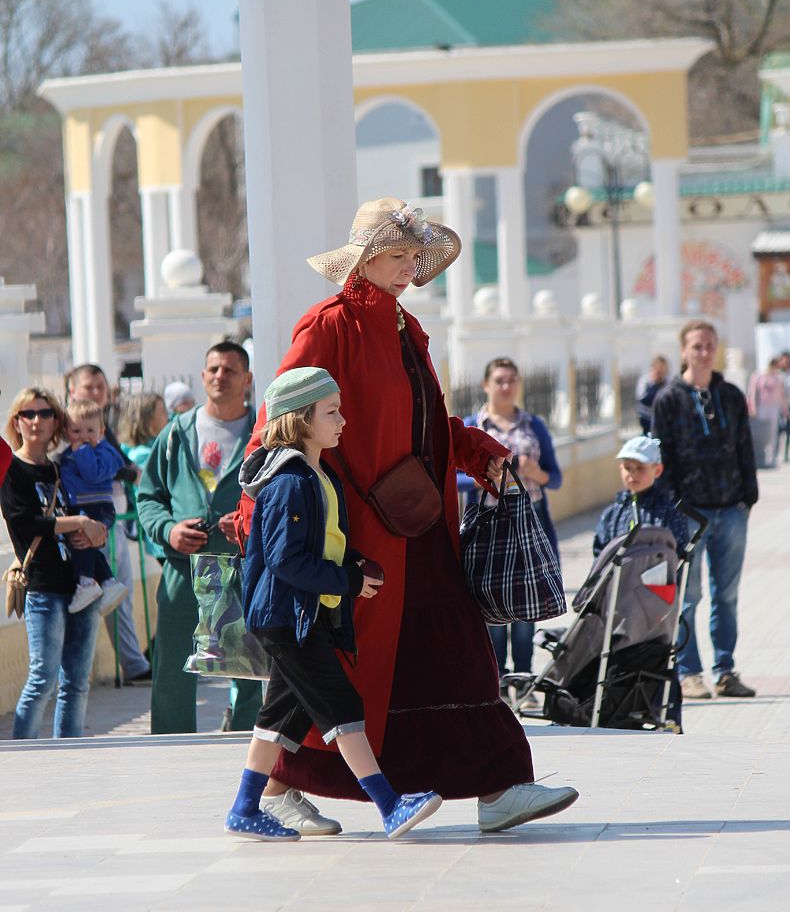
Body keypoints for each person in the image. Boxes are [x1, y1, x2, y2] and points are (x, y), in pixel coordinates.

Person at [235, 198, 579, 836]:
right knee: (342, 667)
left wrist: (478, 451)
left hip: (423, 525)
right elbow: (278, 421)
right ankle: (281, 785)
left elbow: (424, 427)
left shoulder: (405, 327)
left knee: (452, 653)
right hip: (358, 534)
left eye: (415, 256)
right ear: (366, 258)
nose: (409, 267)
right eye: (398, 255)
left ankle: (498, 785)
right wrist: (260, 508)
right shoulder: (328, 325)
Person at [227, 367, 442, 841]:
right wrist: (348, 579)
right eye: (332, 412)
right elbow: (287, 560)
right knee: (341, 706)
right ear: (301, 419)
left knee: (280, 717)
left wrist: (354, 566)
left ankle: (244, 807)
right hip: (289, 617)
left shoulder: (315, 474)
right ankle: (389, 806)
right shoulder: (290, 482)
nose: (343, 420)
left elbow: (322, 545)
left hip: (297, 615)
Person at [137, 341, 263, 734]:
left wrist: (247, 522)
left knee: (251, 672)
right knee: (172, 667)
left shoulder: (264, 434)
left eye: (229, 370)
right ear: (203, 377)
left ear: (247, 379)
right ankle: (171, 749)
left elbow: (285, 498)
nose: (219, 376)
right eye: (212, 370)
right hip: (183, 570)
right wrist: (169, 531)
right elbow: (148, 497)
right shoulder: (177, 431)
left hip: (242, 569)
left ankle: (248, 749)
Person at [652, 319, 758, 700]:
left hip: (731, 509)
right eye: (697, 345)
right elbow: (660, 456)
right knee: (688, 596)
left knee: (726, 595)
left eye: (709, 345)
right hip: (688, 512)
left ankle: (726, 670)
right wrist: (673, 507)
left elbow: (746, 445)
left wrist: (749, 497)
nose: (703, 351)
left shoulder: (729, 394)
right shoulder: (668, 398)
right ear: (684, 350)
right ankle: (690, 672)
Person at [1, 387, 107, 738]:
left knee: (77, 681)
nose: (36, 421)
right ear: (16, 422)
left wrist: (98, 531)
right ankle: (21, 754)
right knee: (42, 678)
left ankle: (69, 755)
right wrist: (79, 523)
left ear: (57, 421)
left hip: (79, 586)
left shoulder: (62, 467)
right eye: (27, 414)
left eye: (45, 413)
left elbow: (93, 506)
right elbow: (25, 522)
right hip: (43, 587)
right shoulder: (11, 470)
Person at [460, 356, 563, 677]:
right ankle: (496, 679)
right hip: (486, 526)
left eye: (512, 380)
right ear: (486, 385)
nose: (506, 387)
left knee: (526, 600)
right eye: (500, 380)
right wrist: (486, 475)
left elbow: (556, 478)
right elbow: (452, 476)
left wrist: (534, 472)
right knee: (487, 599)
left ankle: (523, 677)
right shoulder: (471, 426)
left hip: (529, 520)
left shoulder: (534, 426)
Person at [65, 365, 152, 685]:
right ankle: (133, 663)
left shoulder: (100, 426)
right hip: (88, 521)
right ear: (72, 390)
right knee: (105, 590)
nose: (98, 392)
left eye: (102, 386)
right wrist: (127, 472)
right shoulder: (75, 429)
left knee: (118, 592)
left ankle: (134, 661)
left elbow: (115, 461)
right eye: (90, 387)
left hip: (109, 520)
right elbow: (108, 468)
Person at [60, 399, 129, 615]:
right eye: (76, 430)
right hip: (81, 505)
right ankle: (108, 581)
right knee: (86, 543)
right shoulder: (71, 452)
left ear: (101, 431)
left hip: (97, 506)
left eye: (90, 430)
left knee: (82, 541)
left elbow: (92, 473)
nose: (83, 436)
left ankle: (87, 582)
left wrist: (81, 453)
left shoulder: (105, 452)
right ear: (66, 431)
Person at [593, 435, 689, 557]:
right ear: (621, 468)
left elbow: (678, 554)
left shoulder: (669, 512)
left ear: (658, 470)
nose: (632, 474)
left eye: (640, 468)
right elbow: (600, 553)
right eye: (628, 468)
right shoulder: (611, 514)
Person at [117, 392, 170, 559]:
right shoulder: (142, 454)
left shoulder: (154, 447)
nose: (167, 416)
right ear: (147, 418)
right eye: (162, 411)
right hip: (163, 530)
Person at [747, 358, 787, 469]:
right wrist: (753, 407)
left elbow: (781, 395)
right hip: (761, 407)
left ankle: (772, 457)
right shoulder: (759, 375)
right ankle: (761, 457)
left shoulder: (779, 377)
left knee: (773, 433)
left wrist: (785, 409)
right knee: (761, 433)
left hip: (773, 408)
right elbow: (753, 392)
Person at [635, 355, 670, 435]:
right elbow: (643, 399)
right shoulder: (644, 381)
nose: (661, 372)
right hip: (646, 419)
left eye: (663, 369)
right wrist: (655, 385)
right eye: (659, 369)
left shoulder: (668, 382)